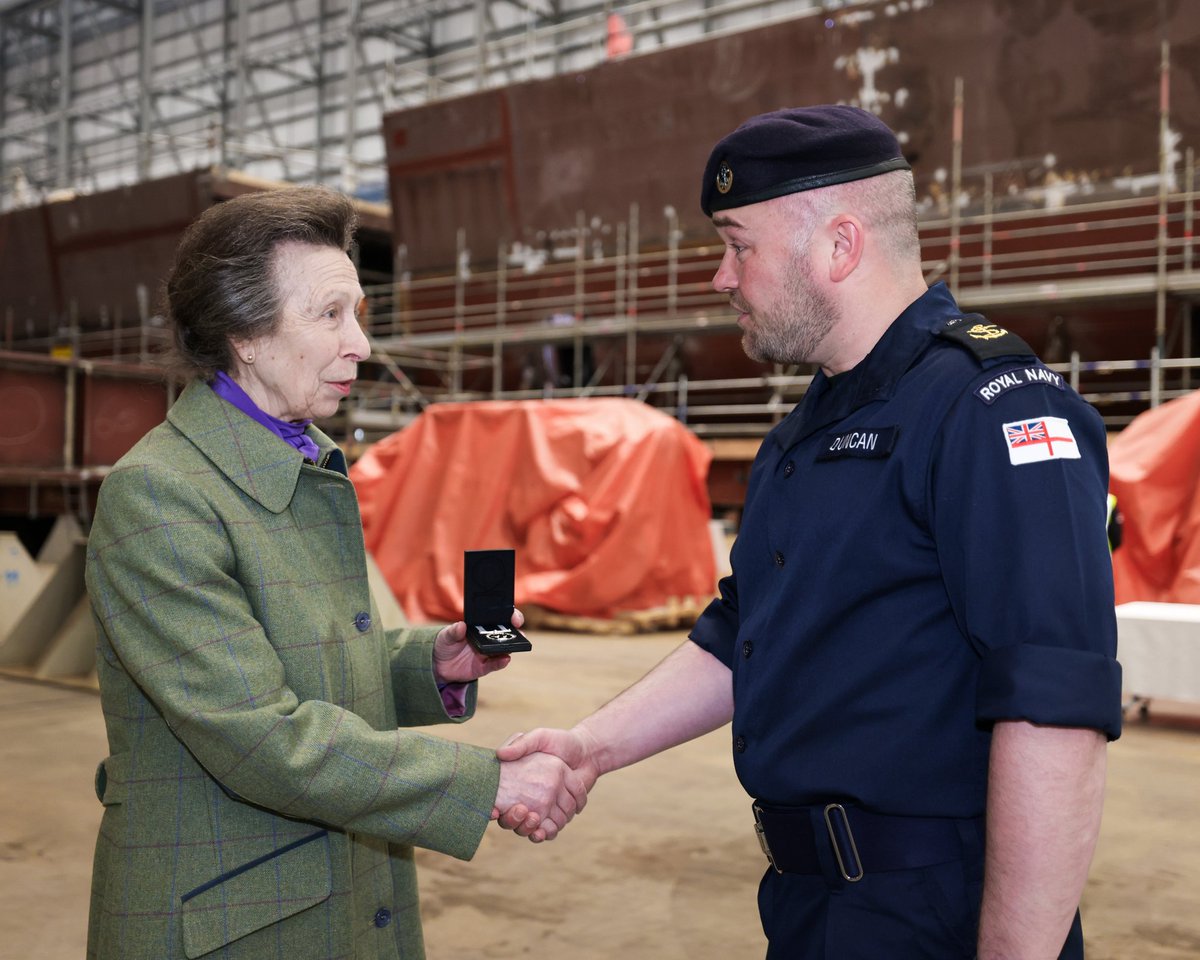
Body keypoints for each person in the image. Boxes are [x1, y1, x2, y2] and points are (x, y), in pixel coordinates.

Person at [497, 105, 1122, 959]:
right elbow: (741, 633)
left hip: (938, 912)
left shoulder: (990, 407)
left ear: (840, 245)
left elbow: (1055, 710)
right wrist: (589, 748)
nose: (721, 277)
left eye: (738, 244)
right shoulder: (804, 435)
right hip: (810, 905)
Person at [84, 186, 585, 960]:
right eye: (329, 315)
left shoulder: (299, 458)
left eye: (357, 312)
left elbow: (298, 659)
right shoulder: (160, 497)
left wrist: (430, 665)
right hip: (231, 918)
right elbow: (261, 735)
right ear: (244, 334)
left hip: (331, 889)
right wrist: (486, 784)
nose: (360, 345)